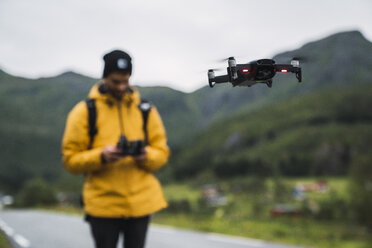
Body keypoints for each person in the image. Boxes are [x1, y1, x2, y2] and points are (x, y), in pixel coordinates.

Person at [62, 50, 170, 248]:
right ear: (104, 77)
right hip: (103, 205)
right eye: (115, 81)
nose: (121, 87)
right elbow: (70, 160)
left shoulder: (146, 109)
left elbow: (162, 153)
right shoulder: (84, 112)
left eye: (125, 81)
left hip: (140, 204)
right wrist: (101, 156)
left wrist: (145, 156)